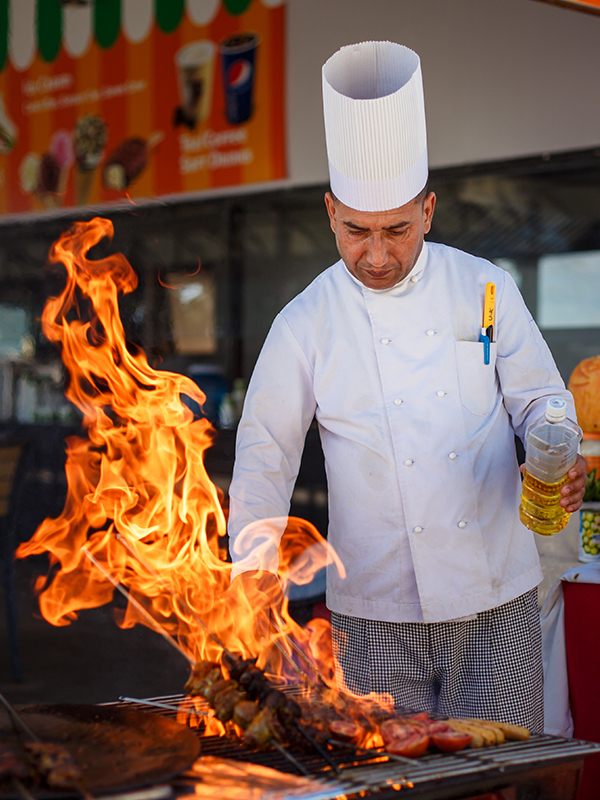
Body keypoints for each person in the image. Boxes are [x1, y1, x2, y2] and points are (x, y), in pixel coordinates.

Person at [227, 41, 587, 732]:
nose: (378, 254)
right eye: (357, 231)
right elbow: (265, 451)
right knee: (386, 783)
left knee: (500, 774)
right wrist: (253, 573)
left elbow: (544, 402)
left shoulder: (484, 286)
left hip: (495, 600)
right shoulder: (306, 321)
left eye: (396, 229)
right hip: (372, 612)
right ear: (331, 214)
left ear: (428, 210)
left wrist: (560, 450)